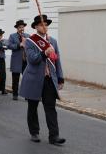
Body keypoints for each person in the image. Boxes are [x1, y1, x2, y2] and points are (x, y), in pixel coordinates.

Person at [20, 15, 66, 145]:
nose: (44, 26)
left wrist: (60, 77)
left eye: (46, 24)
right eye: (41, 24)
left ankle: (54, 136)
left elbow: (57, 61)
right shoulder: (30, 41)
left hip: (49, 79)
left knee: (50, 107)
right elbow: (32, 59)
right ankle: (34, 132)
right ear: (35, 27)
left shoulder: (53, 41)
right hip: (34, 78)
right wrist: (44, 52)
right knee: (32, 107)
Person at [8, 20, 29, 100]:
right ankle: (15, 94)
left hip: (26, 60)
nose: (21, 28)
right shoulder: (12, 36)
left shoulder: (27, 35)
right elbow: (9, 45)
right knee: (15, 79)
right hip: (16, 60)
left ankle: (27, 95)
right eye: (20, 27)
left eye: (22, 27)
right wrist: (18, 45)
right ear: (17, 28)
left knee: (26, 78)